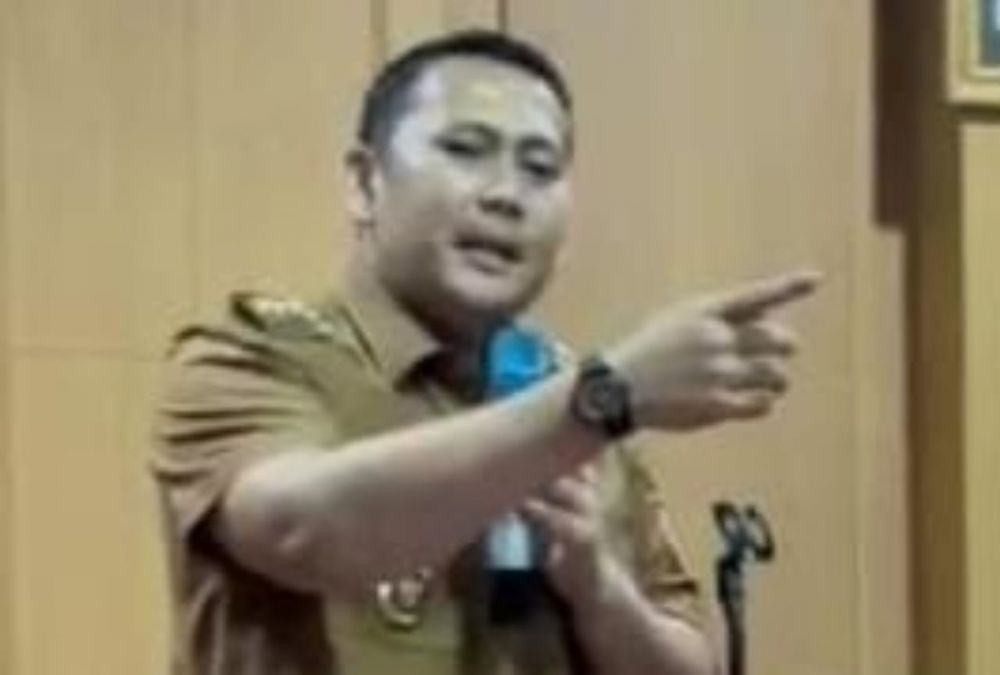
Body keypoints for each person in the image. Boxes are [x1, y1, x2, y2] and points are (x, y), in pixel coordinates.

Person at [151, 29, 818, 675]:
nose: (505, 195)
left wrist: (598, 588)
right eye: (466, 150)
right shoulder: (254, 355)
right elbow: (299, 530)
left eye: (539, 168)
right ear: (364, 182)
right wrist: (600, 399)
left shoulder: (569, 393)